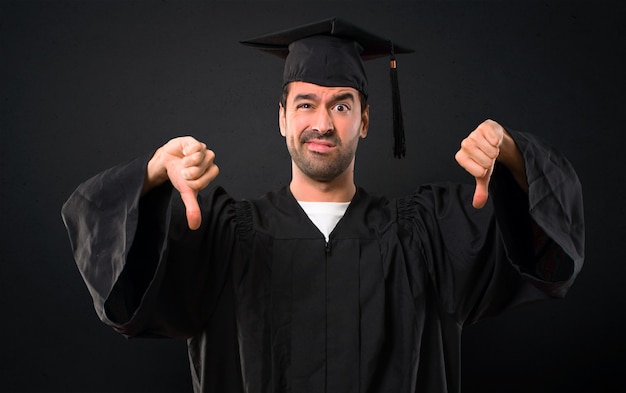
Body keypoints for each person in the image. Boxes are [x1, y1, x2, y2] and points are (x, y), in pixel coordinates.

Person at [62, 17, 584, 393]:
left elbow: (551, 264)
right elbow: (122, 298)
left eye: (342, 104)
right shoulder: (222, 238)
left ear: (365, 120)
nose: (323, 122)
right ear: (283, 118)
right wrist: (153, 174)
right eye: (306, 103)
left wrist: (513, 155)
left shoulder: (427, 237)